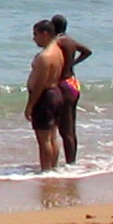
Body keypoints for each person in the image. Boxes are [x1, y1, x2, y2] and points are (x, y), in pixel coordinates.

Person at [50, 14, 92, 164]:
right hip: (72, 82)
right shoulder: (70, 41)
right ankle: (72, 161)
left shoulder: (56, 42)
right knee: (70, 128)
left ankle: (69, 164)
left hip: (62, 84)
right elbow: (87, 51)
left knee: (62, 129)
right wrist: (72, 63)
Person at [26, 19, 66, 170]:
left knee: (44, 140)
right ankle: (53, 168)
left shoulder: (45, 56)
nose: (34, 38)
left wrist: (30, 105)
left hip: (45, 96)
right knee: (52, 137)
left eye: (35, 35)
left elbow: (40, 84)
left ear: (45, 34)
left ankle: (46, 170)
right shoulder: (58, 51)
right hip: (56, 92)